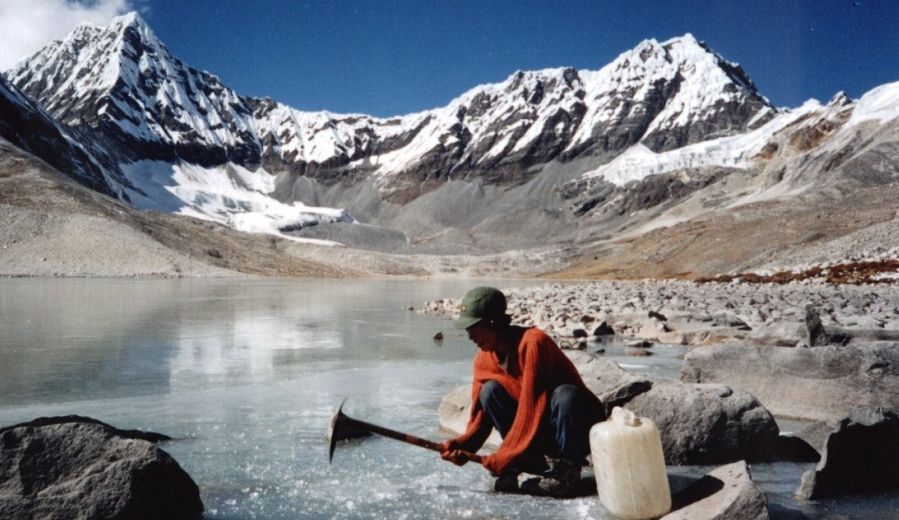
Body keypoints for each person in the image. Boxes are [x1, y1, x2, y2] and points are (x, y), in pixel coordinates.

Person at [439, 287, 606, 496]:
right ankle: (527, 460)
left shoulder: (533, 342)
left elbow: (533, 405)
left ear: (493, 323)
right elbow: (480, 417)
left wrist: (506, 454)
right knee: (489, 391)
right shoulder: (483, 358)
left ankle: (567, 470)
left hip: (574, 427)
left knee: (565, 395)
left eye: (474, 327)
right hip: (539, 431)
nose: (470, 335)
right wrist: (463, 446)